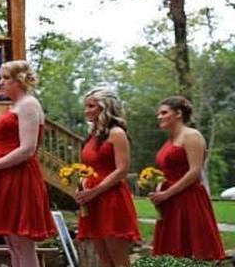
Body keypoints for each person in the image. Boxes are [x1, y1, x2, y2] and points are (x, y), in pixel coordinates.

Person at [0, 60, 55, 267]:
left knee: (22, 242)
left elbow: (27, 149)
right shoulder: (14, 106)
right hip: (3, 177)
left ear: (20, 80)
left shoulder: (28, 104)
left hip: (19, 176)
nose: (0, 82)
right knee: (12, 243)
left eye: (5, 78)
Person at [149, 96, 225, 260]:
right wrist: (157, 188)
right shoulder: (169, 140)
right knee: (172, 254)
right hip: (169, 201)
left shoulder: (192, 136)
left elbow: (195, 171)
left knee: (192, 252)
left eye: (164, 112)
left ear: (178, 113)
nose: (159, 116)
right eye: (159, 114)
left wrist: (167, 193)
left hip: (189, 199)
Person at [76, 88, 140, 267]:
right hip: (92, 201)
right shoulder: (92, 135)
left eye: (91, 106)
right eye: (85, 106)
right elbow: (88, 168)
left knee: (119, 260)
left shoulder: (117, 133)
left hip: (111, 199)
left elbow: (121, 170)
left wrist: (95, 191)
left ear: (105, 107)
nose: (86, 110)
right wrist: (81, 187)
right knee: (104, 260)